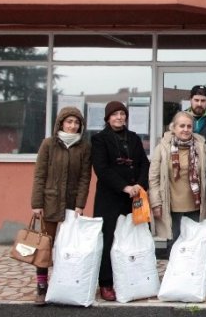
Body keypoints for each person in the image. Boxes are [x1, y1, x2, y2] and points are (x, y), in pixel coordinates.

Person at [30, 106, 92, 305]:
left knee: (68, 247)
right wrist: (36, 203)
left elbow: (85, 178)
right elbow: (40, 175)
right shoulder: (49, 144)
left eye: (76, 123)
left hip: (72, 205)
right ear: (61, 123)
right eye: (69, 122)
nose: (73, 126)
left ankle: (63, 283)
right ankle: (41, 287)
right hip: (49, 203)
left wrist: (80, 204)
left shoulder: (84, 147)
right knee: (44, 247)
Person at [91, 101, 150, 302]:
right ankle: (106, 283)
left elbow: (144, 163)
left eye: (122, 114)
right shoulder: (99, 139)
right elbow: (102, 169)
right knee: (108, 240)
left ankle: (132, 277)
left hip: (134, 198)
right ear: (108, 118)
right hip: (110, 198)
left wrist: (140, 186)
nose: (119, 117)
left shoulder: (133, 138)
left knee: (134, 238)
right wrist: (124, 187)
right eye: (115, 114)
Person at [149, 111, 206, 251]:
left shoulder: (201, 146)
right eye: (181, 126)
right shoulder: (162, 148)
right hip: (171, 206)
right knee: (175, 245)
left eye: (189, 126)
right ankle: (175, 272)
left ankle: (194, 272)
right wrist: (156, 203)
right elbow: (154, 178)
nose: (185, 129)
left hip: (196, 206)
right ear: (173, 128)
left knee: (195, 244)